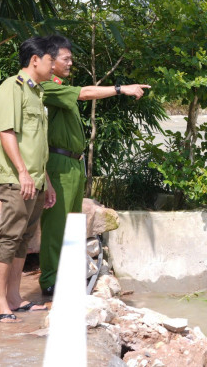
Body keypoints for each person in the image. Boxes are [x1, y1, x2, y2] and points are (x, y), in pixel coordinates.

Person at [38, 34, 150, 296]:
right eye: (66, 59)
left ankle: (67, 273)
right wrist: (121, 89)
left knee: (73, 222)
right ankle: (51, 280)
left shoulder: (58, 85)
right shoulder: (46, 87)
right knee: (56, 224)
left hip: (74, 163)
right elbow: (86, 93)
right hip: (58, 162)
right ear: (49, 60)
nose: (70, 64)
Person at [0, 37, 58, 323]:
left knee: (23, 240)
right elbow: (7, 133)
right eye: (51, 60)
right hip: (18, 180)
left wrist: (46, 181)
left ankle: (14, 298)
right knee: (9, 238)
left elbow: (36, 144)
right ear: (35, 60)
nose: (54, 66)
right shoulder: (10, 88)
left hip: (36, 180)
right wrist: (23, 173)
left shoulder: (37, 93)